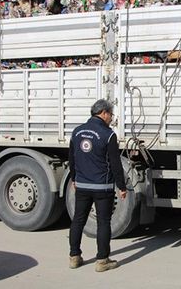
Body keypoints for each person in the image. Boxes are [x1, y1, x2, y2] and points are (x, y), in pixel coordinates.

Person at [68, 99, 128, 272]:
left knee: (78, 220)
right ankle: (102, 260)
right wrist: (121, 187)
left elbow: (72, 158)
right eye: (111, 114)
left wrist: (74, 179)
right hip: (102, 187)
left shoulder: (77, 132)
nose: (111, 118)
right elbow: (115, 163)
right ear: (103, 113)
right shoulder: (108, 134)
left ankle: (74, 256)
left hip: (82, 185)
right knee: (103, 222)